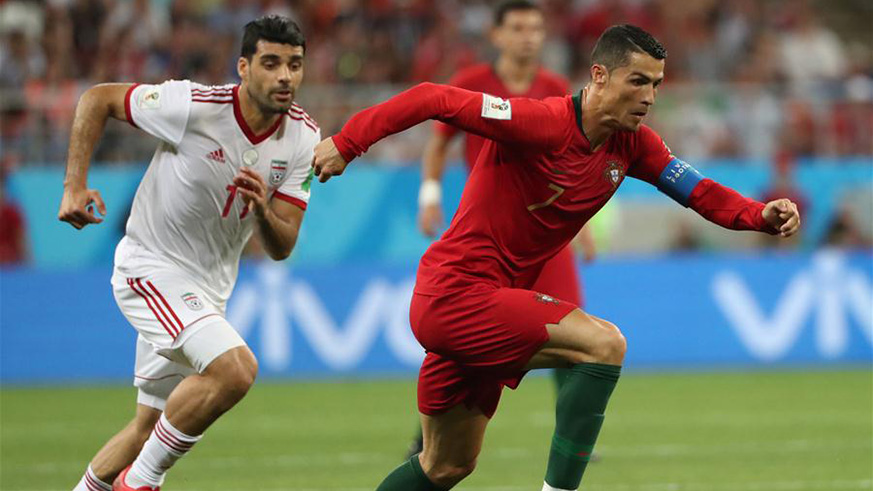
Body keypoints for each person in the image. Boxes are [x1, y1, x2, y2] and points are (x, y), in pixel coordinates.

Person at [312, 24, 800, 491]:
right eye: (638, 81)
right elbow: (433, 98)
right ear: (600, 76)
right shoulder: (539, 122)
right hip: (455, 294)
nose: (650, 96)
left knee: (445, 465)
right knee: (604, 344)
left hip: (491, 302)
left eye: (656, 84)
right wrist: (348, 141)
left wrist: (759, 214)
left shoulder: (633, 146)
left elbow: (699, 191)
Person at [58, 15, 319, 491]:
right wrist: (74, 185)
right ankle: (141, 483)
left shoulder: (303, 139)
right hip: (150, 267)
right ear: (244, 66)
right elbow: (97, 98)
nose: (285, 76)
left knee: (144, 430)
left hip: (207, 290)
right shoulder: (193, 105)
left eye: (295, 65)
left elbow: (283, 246)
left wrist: (262, 210)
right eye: (272, 63)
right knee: (235, 371)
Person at [410, 0, 596, 458]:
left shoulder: (555, 87)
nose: (528, 36)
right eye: (517, 28)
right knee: (461, 335)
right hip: (490, 234)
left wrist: (582, 226)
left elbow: (576, 161)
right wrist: (430, 196)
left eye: (535, 28)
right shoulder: (473, 82)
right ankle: (427, 433)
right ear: (496, 36)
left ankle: (570, 437)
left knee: (576, 327)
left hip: (547, 233)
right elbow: (438, 143)